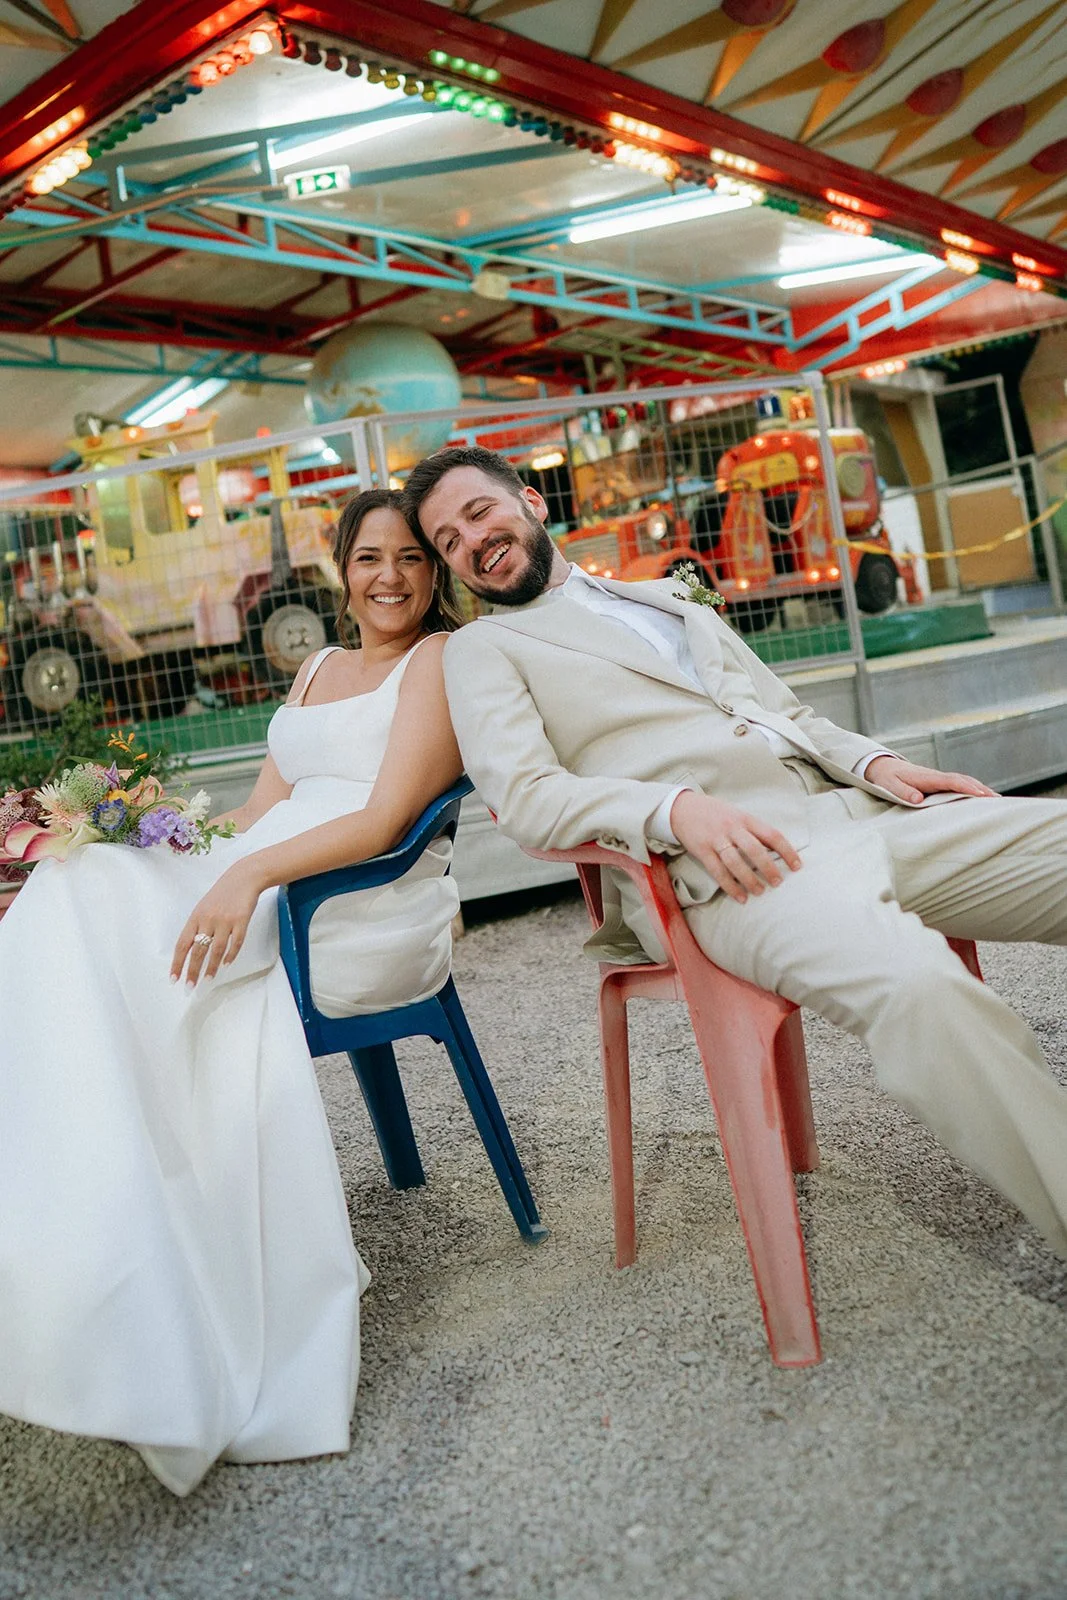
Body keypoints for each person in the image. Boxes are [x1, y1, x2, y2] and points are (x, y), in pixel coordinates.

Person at [406, 444, 1067, 1266]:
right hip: (732, 870)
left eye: (479, 513)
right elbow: (525, 797)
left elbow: (786, 711)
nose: (471, 541)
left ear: (532, 504)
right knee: (919, 989)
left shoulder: (665, 597)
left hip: (858, 813)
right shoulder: (483, 651)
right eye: (447, 541)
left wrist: (880, 765)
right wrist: (670, 809)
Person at [0, 488, 463, 1496]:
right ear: (341, 568)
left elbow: (386, 817)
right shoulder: (313, 666)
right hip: (266, 855)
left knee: (111, 928)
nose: (387, 577)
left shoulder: (437, 662)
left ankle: (117, 1246)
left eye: (411, 560)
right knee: (78, 881)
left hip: (335, 886)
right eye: (369, 556)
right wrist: (153, 827)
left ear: (436, 574)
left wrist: (249, 874)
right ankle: (72, 1177)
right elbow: (259, 804)